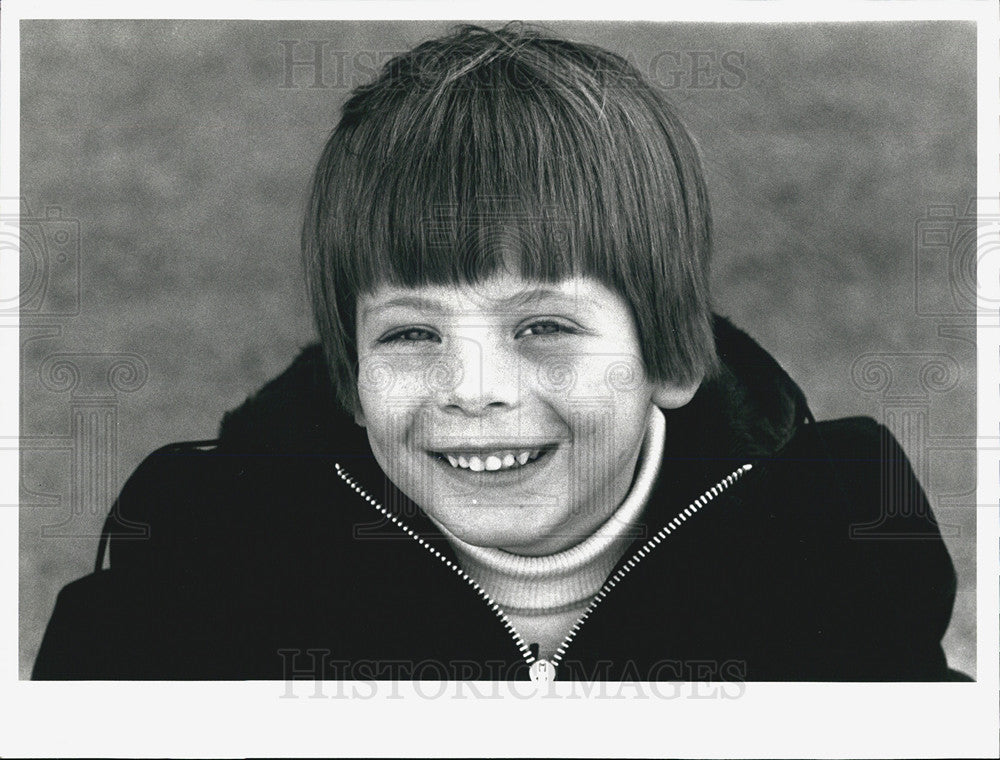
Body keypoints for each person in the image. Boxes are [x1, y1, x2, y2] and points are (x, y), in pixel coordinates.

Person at [33, 23, 965, 682]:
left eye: (544, 327)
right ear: (351, 375)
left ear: (671, 357)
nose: (473, 390)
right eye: (411, 334)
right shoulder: (202, 560)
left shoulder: (834, 550)